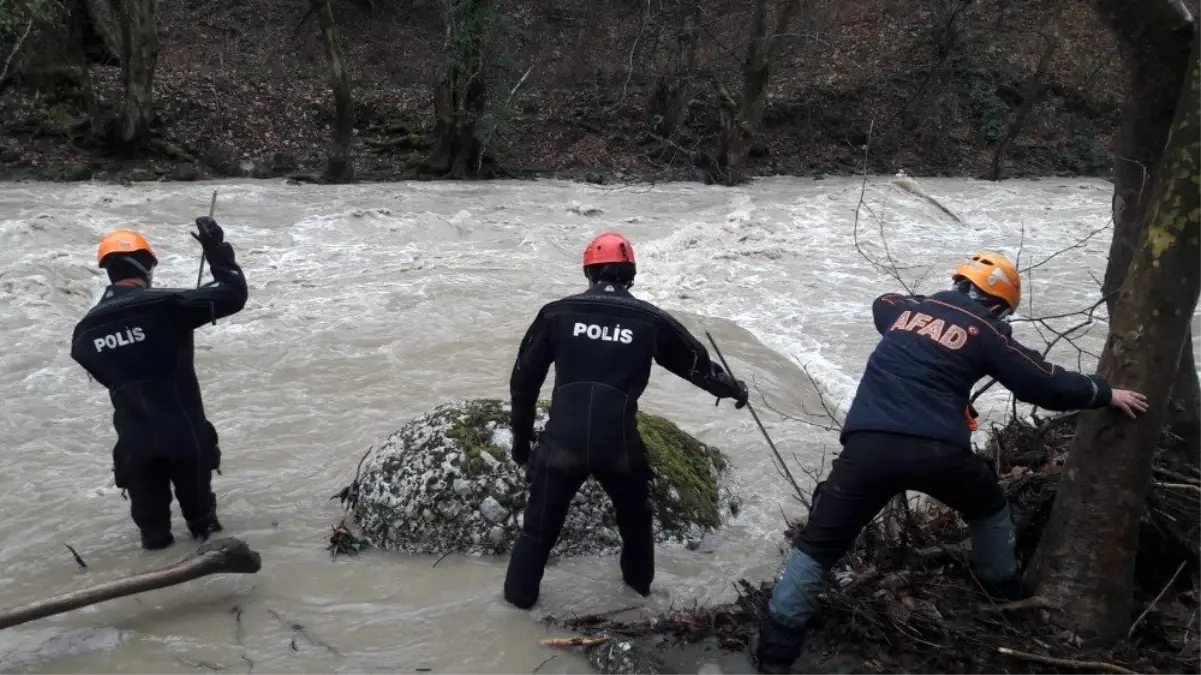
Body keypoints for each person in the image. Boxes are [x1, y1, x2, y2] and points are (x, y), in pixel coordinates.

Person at [754, 251, 1149, 674]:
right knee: (989, 507)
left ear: (960, 283)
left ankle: (773, 657)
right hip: (939, 452)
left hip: (866, 448)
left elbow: (882, 302)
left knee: (817, 546)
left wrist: (935, 303)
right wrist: (1104, 393)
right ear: (998, 305)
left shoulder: (904, 313)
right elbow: (1043, 383)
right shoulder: (987, 332)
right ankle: (1002, 594)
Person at [502, 232, 751, 609]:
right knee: (635, 525)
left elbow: (523, 382)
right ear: (631, 274)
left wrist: (522, 444)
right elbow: (697, 367)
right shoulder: (650, 320)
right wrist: (734, 389)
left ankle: (516, 613)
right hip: (618, 447)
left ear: (588, 270)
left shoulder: (556, 313)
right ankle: (639, 603)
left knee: (536, 533)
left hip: (561, 446)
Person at [70, 218, 249, 551]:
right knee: (205, 527)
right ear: (147, 266)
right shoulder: (169, 306)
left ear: (108, 270)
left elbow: (98, 365)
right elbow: (234, 293)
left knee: (153, 539)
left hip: (134, 447)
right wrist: (217, 251)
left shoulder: (84, 333)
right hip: (185, 438)